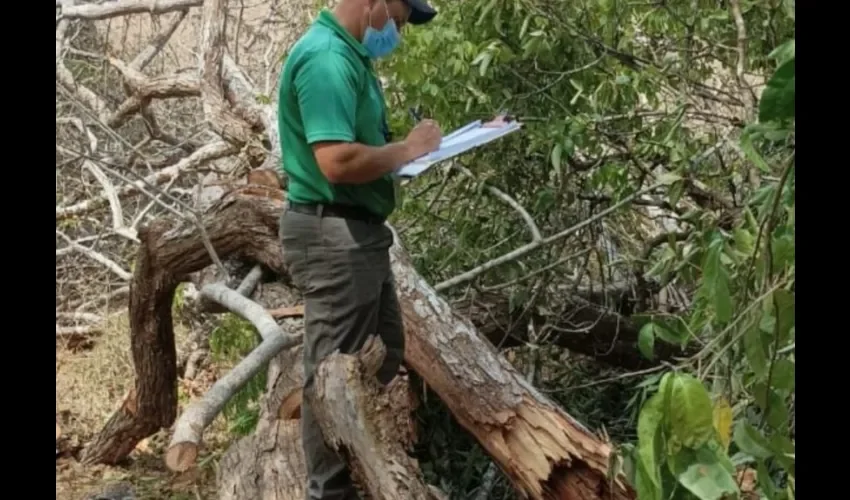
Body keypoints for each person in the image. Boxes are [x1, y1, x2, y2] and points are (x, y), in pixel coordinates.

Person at [276, 0, 441, 498]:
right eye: (400, 19)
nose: (399, 31)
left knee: (383, 351)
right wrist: (409, 150)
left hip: (359, 233)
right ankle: (330, 490)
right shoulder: (326, 59)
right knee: (332, 375)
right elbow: (337, 160)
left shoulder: (351, 57)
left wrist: (403, 153)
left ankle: (367, 468)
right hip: (333, 236)